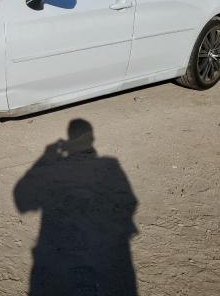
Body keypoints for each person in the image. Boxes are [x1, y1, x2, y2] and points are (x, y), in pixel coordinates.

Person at [14, 119, 138, 295]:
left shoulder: (107, 165)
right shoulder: (110, 165)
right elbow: (129, 203)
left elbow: (22, 201)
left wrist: (45, 157)